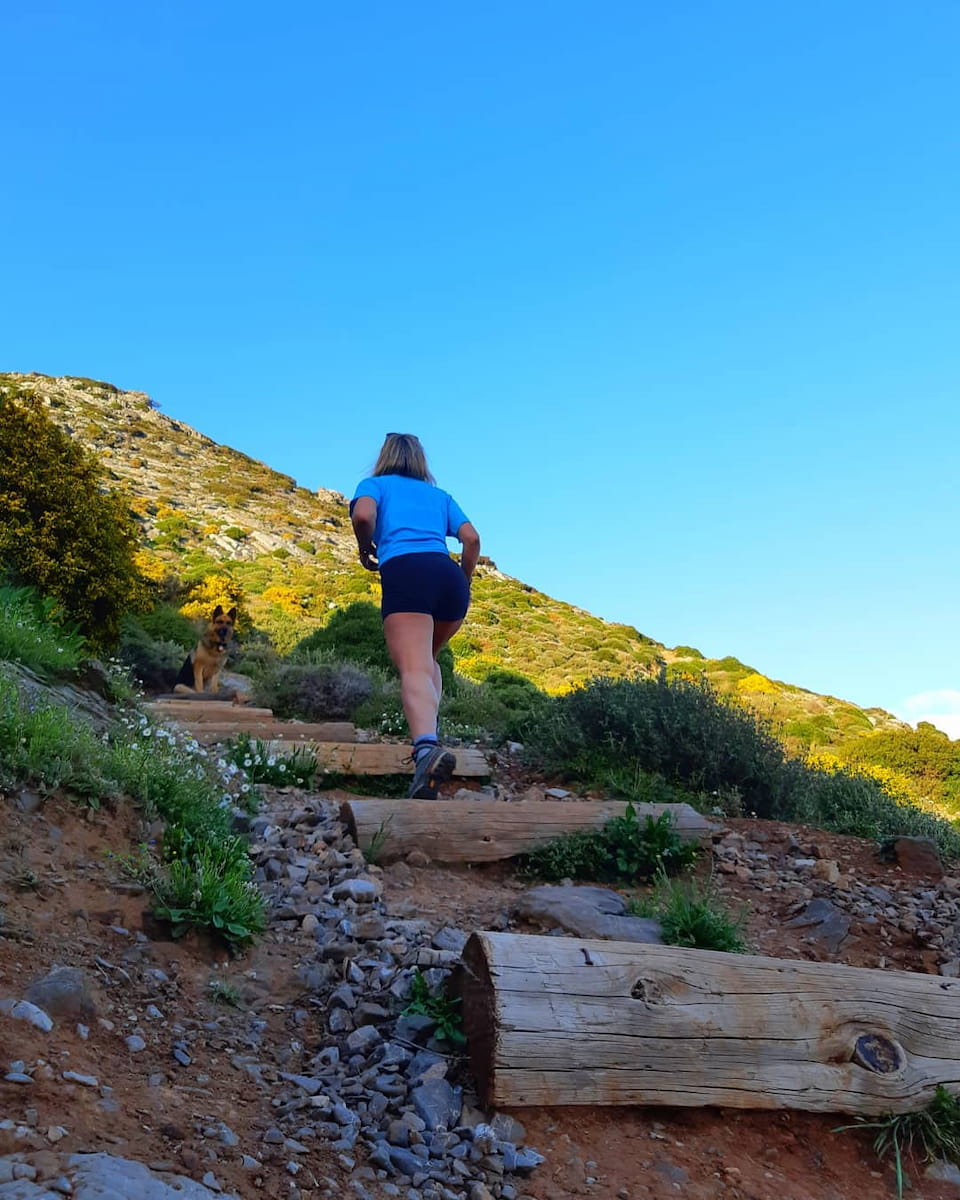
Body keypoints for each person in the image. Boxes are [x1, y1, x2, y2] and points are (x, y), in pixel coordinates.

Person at [350, 433, 480, 798]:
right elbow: (471, 540)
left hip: (407, 572)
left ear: (384, 456)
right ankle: (431, 742)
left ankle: (425, 748)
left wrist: (365, 548)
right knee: (427, 662)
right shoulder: (440, 497)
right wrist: (464, 580)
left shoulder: (374, 485)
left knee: (413, 668)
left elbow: (363, 514)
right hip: (449, 578)